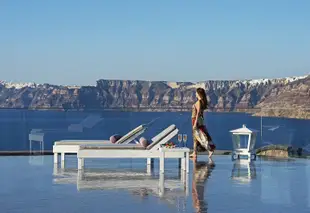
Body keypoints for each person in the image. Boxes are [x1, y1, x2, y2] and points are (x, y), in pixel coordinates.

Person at [191, 87, 216, 160]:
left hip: (196, 120)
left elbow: (198, 112)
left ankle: (210, 150)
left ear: (198, 94)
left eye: (196, 92)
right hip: (198, 119)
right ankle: (194, 153)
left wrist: (195, 123)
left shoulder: (199, 102)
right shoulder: (201, 101)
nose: (195, 93)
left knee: (199, 136)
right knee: (195, 137)